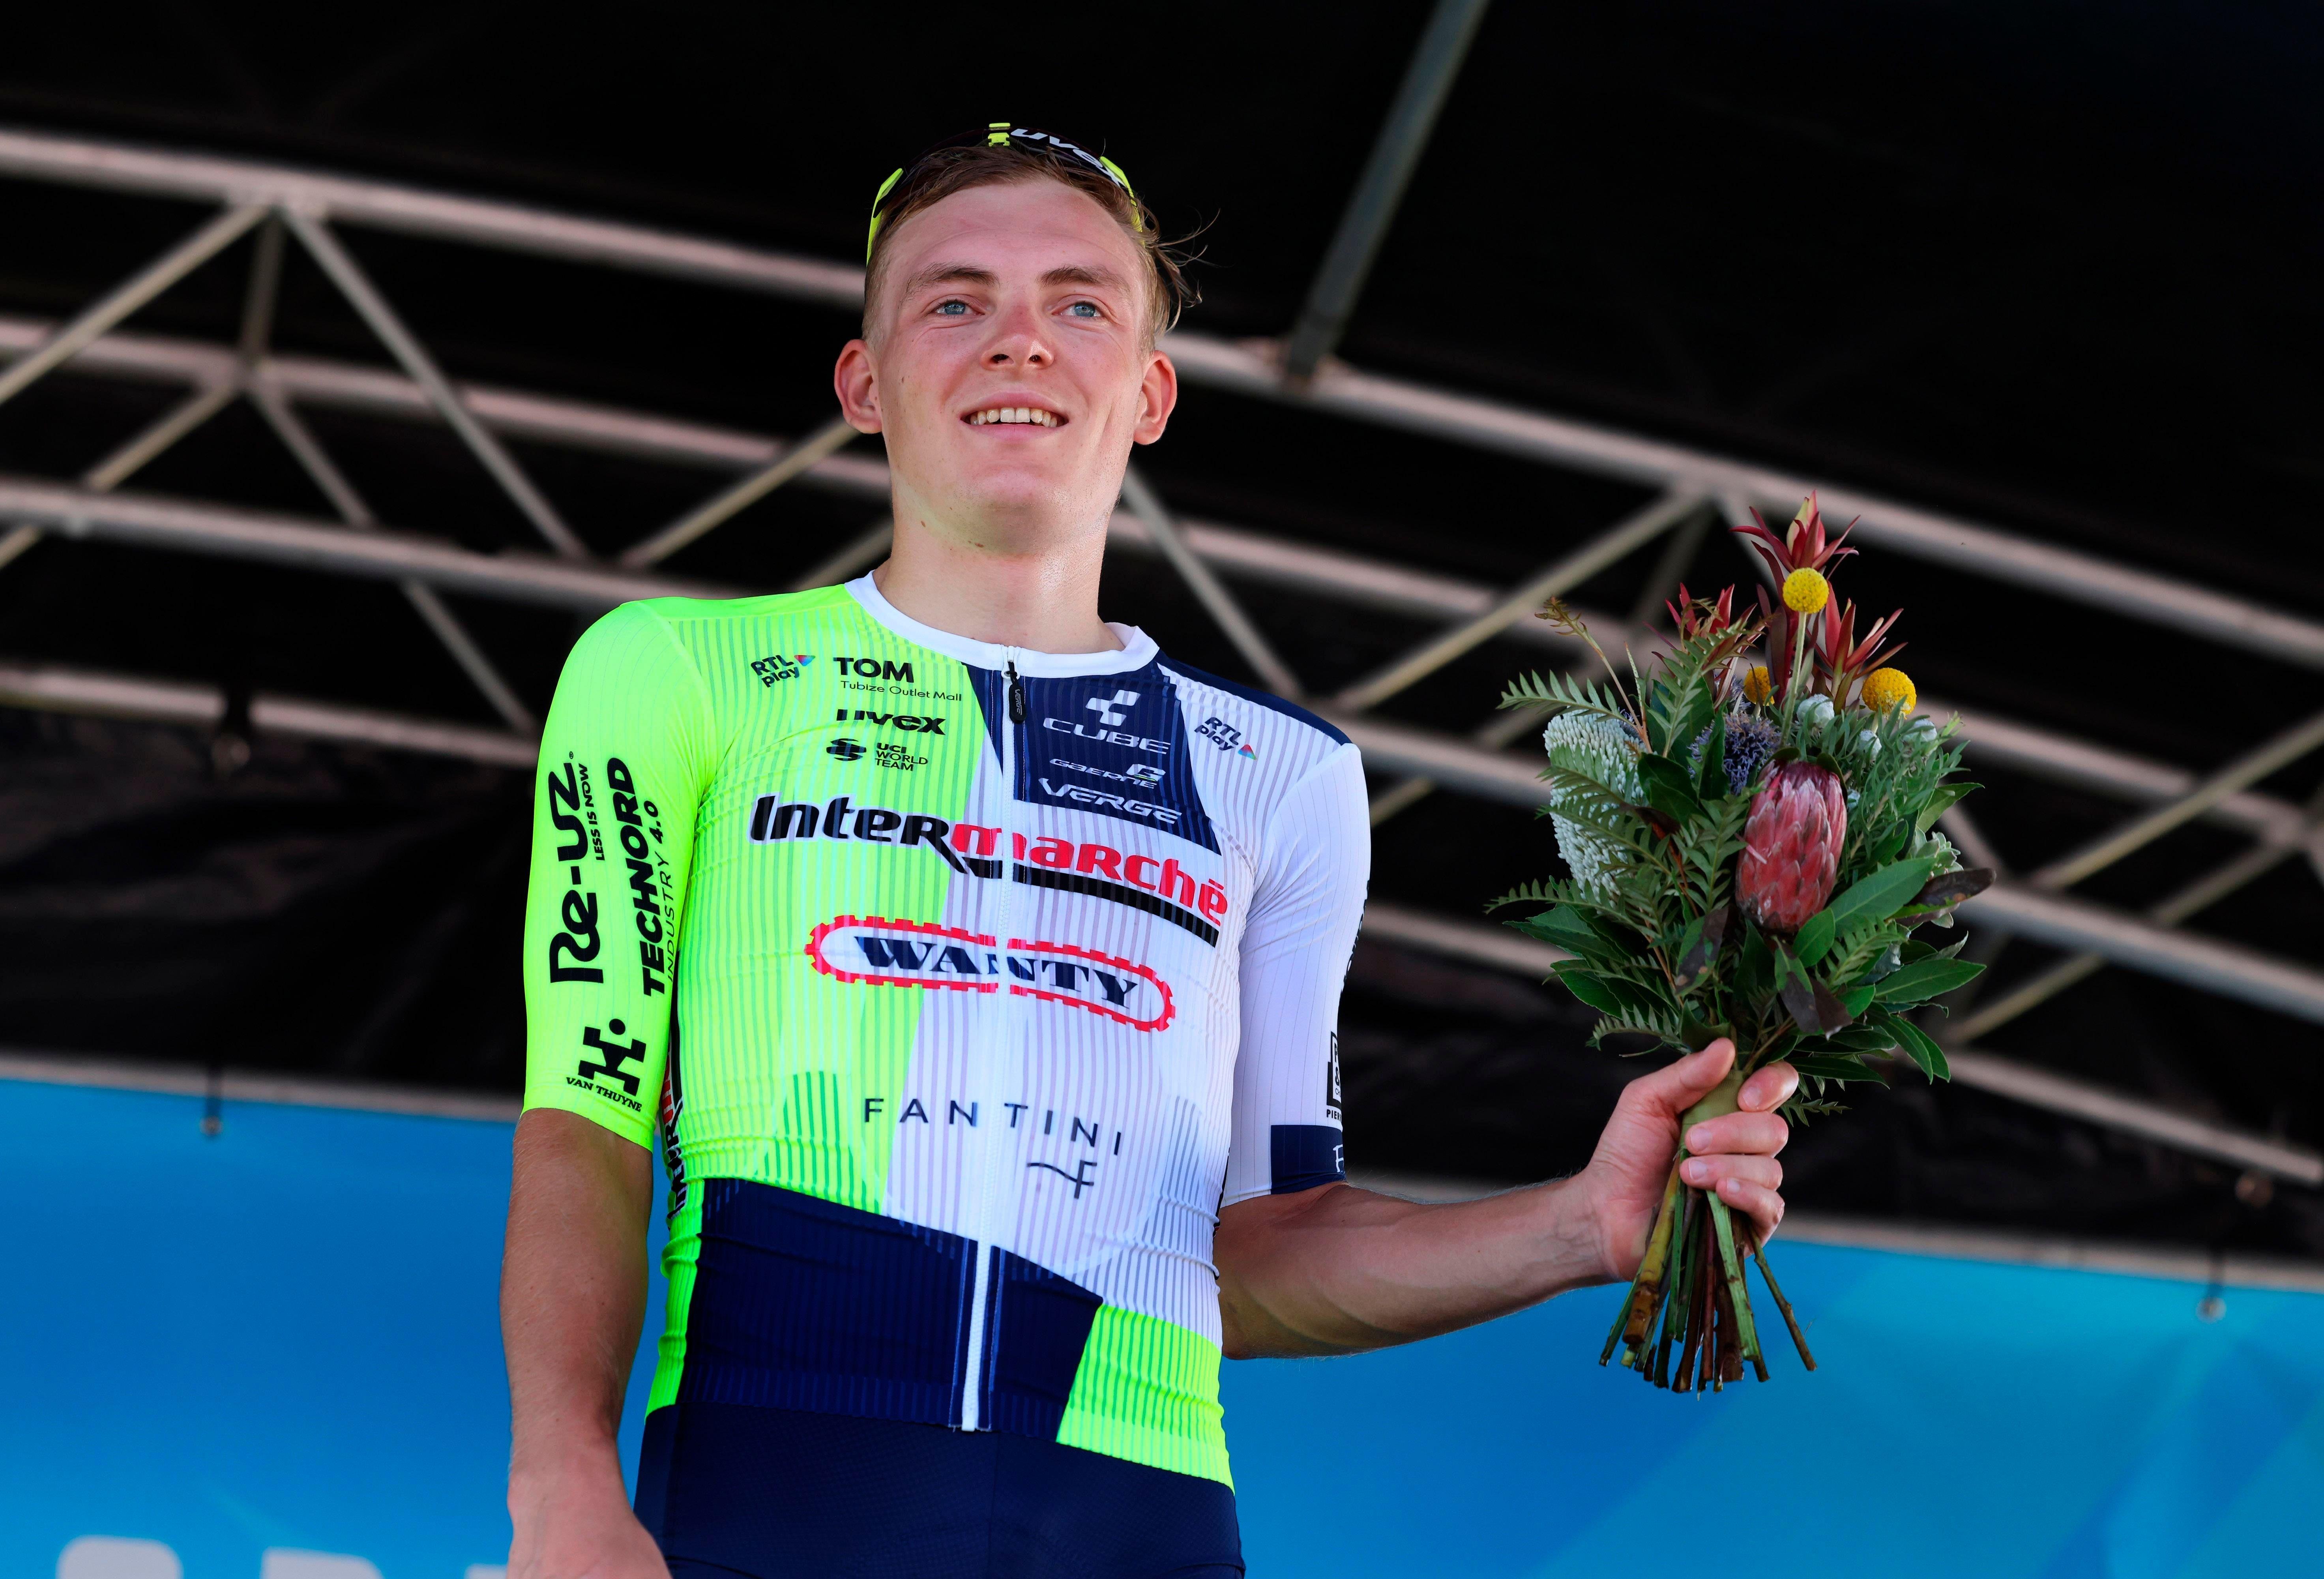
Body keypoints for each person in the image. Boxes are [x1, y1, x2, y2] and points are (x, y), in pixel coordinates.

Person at [500, 125, 1800, 1579]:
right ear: (862, 384)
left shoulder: (1285, 778)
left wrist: (1577, 1225)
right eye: (951, 300)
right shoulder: (680, 674)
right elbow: (588, 1124)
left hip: (1141, 1525)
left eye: (1079, 304)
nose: (1017, 344)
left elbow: (1259, 1252)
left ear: (1150, 392)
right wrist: (559, 1482)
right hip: (764, 1496)